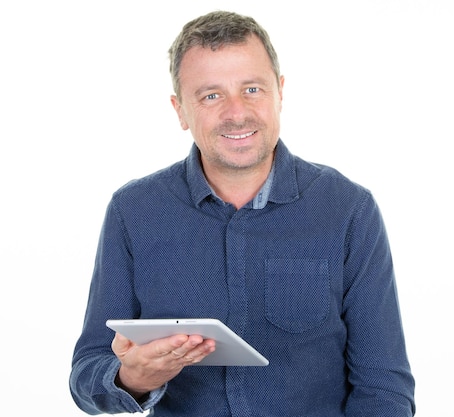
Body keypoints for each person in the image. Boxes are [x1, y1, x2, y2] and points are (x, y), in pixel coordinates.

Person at [69, 10, 415, 416]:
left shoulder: (349, 211)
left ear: (280, 93)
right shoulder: (133, 211)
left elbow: (384, 388)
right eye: (211, 95)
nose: (236, 112)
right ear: (180, 110)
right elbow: (87, 374)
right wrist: (132, 380)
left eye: (252, 89)